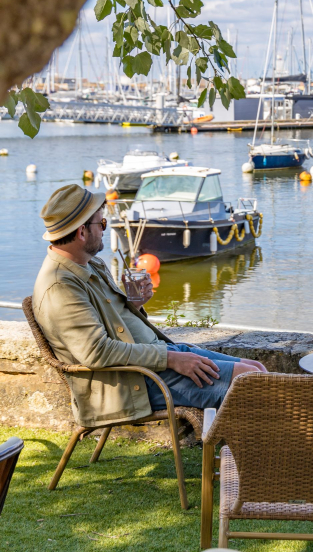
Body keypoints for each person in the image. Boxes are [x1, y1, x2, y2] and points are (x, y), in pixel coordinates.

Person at [32, 184, 266, 430]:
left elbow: (111, 324)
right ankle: (262, 458)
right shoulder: (60, 286)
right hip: (135, 382)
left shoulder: (90, 265)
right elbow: (96, 352)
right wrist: (172, 359)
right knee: (247, 381)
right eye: (101, 224)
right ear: (81, 233)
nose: (105, 230)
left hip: (156, 361)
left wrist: (134, 305)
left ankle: (257, 456)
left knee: (256, 370)